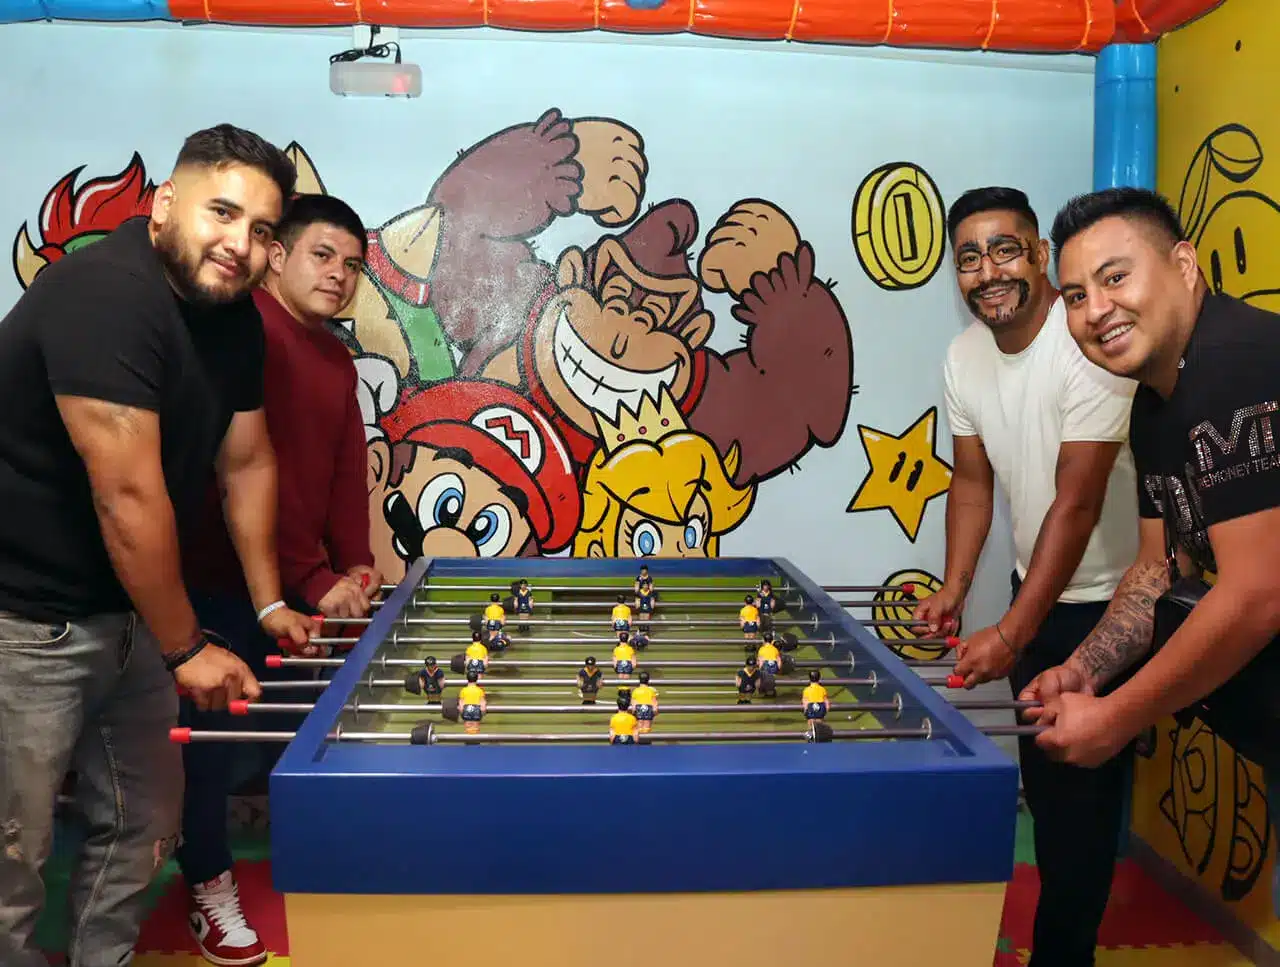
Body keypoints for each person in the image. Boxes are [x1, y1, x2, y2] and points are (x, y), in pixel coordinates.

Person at [0, 123, 318, 967]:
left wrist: (268, 602)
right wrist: (187, 647)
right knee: (13, 849)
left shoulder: (234, 319)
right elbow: (128, 495)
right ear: (166, 203)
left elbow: (247, 461)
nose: (240, 242)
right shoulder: (104, 295)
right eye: (223, 212)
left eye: (261, 229)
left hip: (130, 612)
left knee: (145, 823)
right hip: (21, 618)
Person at [1023, 186, 1280, 916]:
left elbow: (1258, 593)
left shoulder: (1235, 362)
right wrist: (1082, 671)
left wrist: (1113, 718)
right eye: (1076, 295)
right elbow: (1158, 570)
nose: (1096, 310)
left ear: (1185, 265)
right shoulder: (1156, 401)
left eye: (1116, 277)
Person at [914, 186, 1141, 967]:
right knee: (1047, 799)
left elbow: (1076, 505)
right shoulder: (964, 355)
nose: (988, 272)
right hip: (1035, 594)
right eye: (969, 258)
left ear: (1040, 254)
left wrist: (1013, 635)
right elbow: (972, 481)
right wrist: (954, 587)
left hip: (1114, 608)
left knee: (1078, 814)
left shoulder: (1086, 344)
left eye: (1005, 249)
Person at [177, 192, 380, 966]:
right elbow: (249, 476)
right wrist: (312, 574)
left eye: (352, 265)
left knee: (288, 740)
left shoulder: (334, 359)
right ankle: (207, 882)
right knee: (205, 751)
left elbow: (343, 471)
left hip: (295, 588)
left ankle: (307, 855)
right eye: (323, 255)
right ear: (278, 255)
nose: (339, 275)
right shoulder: (246, 332)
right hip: (217, 582)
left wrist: (354, 562)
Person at [801, 671, 829, 737]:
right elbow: (826, 702)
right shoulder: (822, 689)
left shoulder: (806, 690)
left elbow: (805, 702)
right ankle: (820, 736)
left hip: (811, 706)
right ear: (819, 678)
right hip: (820, 706)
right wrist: (825, 711)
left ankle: (810, 736)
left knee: (810, 723)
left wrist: (805, 710)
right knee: (819, 724)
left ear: (809, 678)